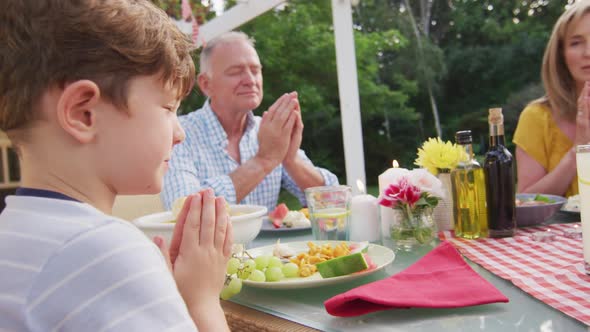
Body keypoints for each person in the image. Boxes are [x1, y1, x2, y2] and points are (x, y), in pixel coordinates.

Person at [0, 1, 232, 331]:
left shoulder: (13, 235)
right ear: (84, 113)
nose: (179, 133)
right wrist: (201, 299)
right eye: (168, 108)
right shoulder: (105, 253)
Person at [161, 32, 338, 212]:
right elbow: (183, 210)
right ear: (206, 84)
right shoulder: (179, 134)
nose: (250, 80)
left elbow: (334, 203)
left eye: (255, 70)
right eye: (235, 72)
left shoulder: (270, 131)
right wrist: (263, 160)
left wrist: (291, 160)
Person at [513, 1, 590, 198]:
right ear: (561, 55)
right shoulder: (536, 117)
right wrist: (579, 148)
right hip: (558, 228)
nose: (588, 53)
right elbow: (526, 201)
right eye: (576, 42)